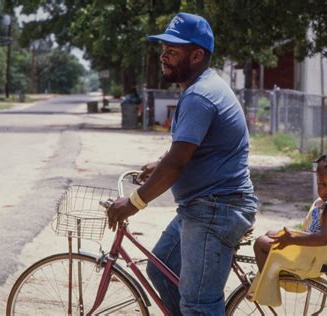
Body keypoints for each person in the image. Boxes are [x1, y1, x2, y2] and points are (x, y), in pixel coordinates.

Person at [106, 12, 257, 315]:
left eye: (173, 51)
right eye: (163, 49)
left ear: (197, 55)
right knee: (162, 270)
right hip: (204, 206)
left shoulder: (200, 95)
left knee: (199, 305)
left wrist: (134, 203)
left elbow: (177, 163)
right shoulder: (204, 87)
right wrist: (159, 162)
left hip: (214, 210)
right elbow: (184, 151)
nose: (163, 56)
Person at [254, 153, 327, 272]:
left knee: (261, 242)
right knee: (271, 234)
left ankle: (266, 283)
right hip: (318, 255)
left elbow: (323, 239)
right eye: (322, 184)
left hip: (310, 258)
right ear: (317, 179)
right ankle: (272, 274)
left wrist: (292, 239)